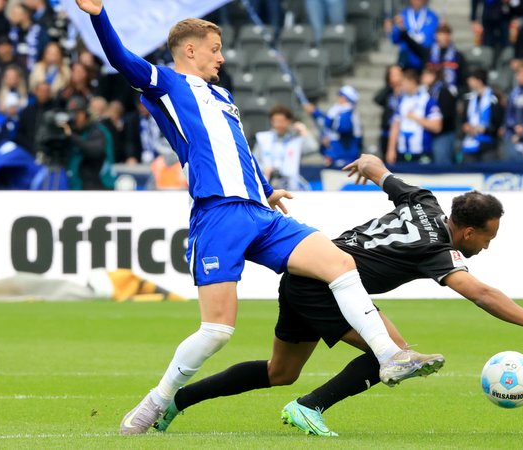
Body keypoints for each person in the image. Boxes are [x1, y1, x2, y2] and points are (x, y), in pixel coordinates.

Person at [74, 0, 441, 435]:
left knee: (340, 263)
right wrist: (99, 15)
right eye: (215, 48)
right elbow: (120, 59)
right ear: (189, 50)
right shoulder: (167, 83)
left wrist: (265, 189)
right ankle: (157, 400)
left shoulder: (224, 96)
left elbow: (237, 151)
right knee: (216, 331)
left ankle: (390, 357)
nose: (222, 57)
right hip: (218, 215)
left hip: (259, 212)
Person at [153, 154, 523, 436]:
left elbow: (381, 172)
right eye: (488, 238)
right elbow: (482, 294)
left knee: (280, 371)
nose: (488, 246)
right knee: (394, 352)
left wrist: (369, 164)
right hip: (326, 285)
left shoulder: (425, 201)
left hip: (307, 273)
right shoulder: (439, 252)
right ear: (468, 231)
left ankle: (178, 401)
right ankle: (309, 408)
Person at [253, 104, 318, 190]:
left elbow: (313, 147)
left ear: (289, 121)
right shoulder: (263, 138)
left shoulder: (296, 140)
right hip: (267, 185)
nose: (278, 124)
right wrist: (263, 168)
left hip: (291, 186)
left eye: (281, 121)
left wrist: (304, 130)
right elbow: (253, 161)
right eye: (275, 121)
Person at [386, 68, 442, 164]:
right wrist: (391, 150)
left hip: (422, 153)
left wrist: (416, 118)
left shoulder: (427, 100)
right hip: (402, 152)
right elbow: (395, 126)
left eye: (403, 82)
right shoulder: (401, 100)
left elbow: (437, 127)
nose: (401, 85)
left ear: (412, 82)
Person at [60, 95, 115, 190]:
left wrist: (71, 136)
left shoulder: (98, 130)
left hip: (98, 186)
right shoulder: (69, 131)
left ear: (86, 114)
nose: (74, 117)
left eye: (78, 113)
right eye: (71, 113)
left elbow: (95, 150)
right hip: (73, 185)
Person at [303, 85, 362, 169]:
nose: (339, 98)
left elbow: (343, 128)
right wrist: (315, 112)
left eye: (341, 96)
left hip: (345, 155)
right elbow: (328, 121)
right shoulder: (341, 111)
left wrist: (328, 138)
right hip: (338, 153)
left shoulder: (347, 112)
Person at [461, 68, 502, 162]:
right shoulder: (468, 98)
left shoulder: (494, 98)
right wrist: (466, 126)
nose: (468, 81)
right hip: (470, 142)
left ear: (479, 81)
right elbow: (464, 119)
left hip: (488, 143)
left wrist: (485, 129)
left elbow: (498, 121)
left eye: (471, 79)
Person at [389, 0, 440, 70]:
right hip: (406, 59)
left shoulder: (432, 16)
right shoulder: (403, 15)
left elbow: (432, 40)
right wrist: (395, 30)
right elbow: (395, 40)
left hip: (424, 60)